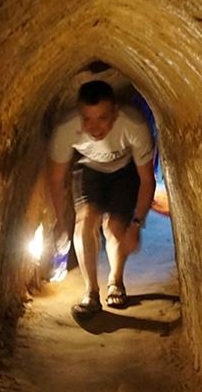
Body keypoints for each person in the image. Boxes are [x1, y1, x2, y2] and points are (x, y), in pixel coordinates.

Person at [48, 80, 156, 317]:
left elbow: (147, 180)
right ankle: (91, 292)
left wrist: (136, 225)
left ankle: (116, 282)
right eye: (87, 118)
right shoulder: (67, 127)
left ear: (115, 112)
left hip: (125, 169)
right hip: (89, 168)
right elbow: (56, 180)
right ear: (79, 112)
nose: (94, 128)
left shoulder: (133, 124)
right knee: (84, 222)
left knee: (115, 227)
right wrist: (61, 222)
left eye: (103, 118)